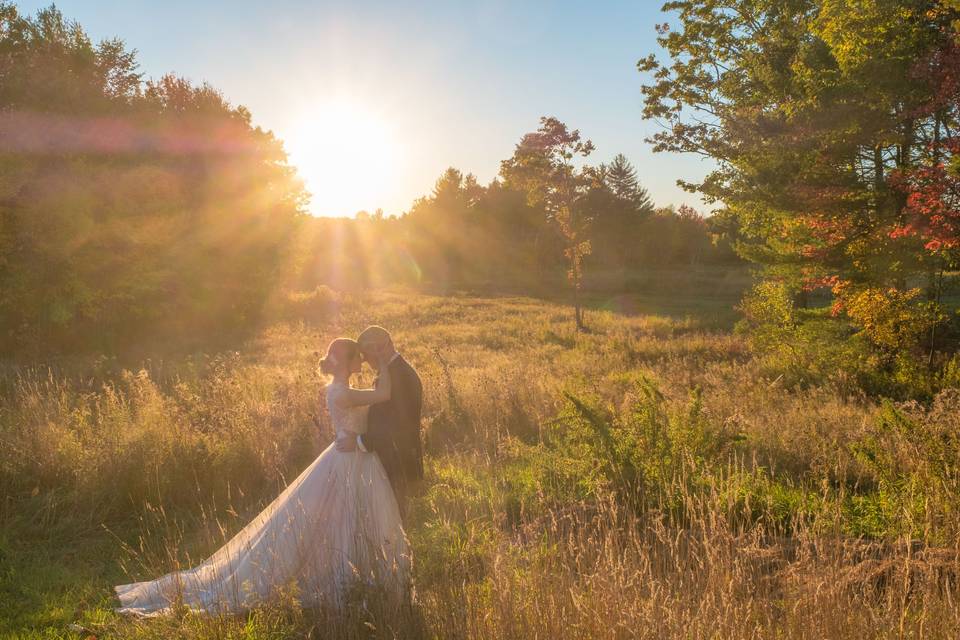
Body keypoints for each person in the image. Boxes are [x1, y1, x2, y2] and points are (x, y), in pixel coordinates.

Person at [114, 337, 409, 616]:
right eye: (358, 355)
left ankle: (356, 577)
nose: (362, 358)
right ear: (347, 361)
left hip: (353, 455)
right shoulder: (342, 391)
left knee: (346, 519)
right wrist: (383, 360)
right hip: (348, 457)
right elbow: (384, 395)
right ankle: (346, 581)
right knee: (340, 520)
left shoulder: (340, 388)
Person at [336, 326, 423, 518]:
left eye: (366, 356)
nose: (365, 362)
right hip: (390, 458)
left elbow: (397, 426)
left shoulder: (401, 376)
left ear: (380, 349)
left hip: (398, 461)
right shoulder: (392, 370)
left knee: (396, 519)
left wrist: (359, 441)